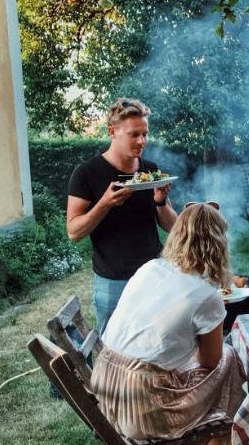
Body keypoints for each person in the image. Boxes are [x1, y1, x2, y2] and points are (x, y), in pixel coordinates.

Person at [90, 202, 247, 445]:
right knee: (229, 361)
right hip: (142, 408)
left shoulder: (150, 268)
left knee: (211, 374)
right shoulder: (206, 295)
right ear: (218, 244)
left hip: (105, 392)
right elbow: (210, 363)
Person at [67, 98, 177, 334]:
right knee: (112, 351)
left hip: (153, 275)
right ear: (112, 132)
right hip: (112, 281)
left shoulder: (150, 170)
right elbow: (74, 231)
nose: (142, 141)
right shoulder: (87, 173)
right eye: (134, 134)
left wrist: (160, 201)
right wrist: (105, 204)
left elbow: (172, 226)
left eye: (145, 134)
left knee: (156, 344)